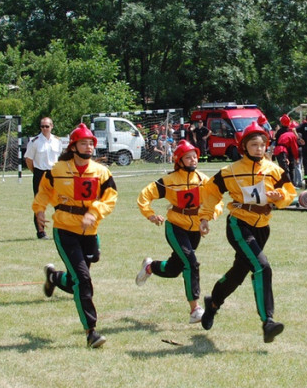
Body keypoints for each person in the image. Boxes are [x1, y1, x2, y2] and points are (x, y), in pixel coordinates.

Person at [198, 123, 297, 343]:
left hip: (263, 227)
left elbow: (290, 192)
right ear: (244, 146)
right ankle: (267, 321)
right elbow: (211, 191)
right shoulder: (230, 171)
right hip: (238, 224)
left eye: (262, 145)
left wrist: (280, 195)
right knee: (262, 267)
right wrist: (204, 217)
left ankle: (213, 303)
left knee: (239, 272)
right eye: (254, 144)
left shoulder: (274, 169)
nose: (259, 148)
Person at [37, 124, 118, 348]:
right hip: (64, 229)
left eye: (91, 143)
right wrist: (40, 209)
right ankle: (91, 332)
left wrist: (94, 212)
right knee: (83, 279)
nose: (89, 146)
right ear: (73, 147)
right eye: (84, 143)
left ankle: (53, 277)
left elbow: (110, 197)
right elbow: (44, 189)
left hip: (90, 231)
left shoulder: (102, 172)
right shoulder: (58, 169)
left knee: (76, 278)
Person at [135, 140, 222, 323]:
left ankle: (150, 267)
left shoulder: (203, 180)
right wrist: (150, 214)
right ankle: (195, 310)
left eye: (195, 157)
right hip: (175, 227)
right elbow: (145, 195)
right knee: (191, 264)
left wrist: (210, 215)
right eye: (188, 157)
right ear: (179, 161)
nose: (193, 160)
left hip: (195, 229)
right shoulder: (169, 181)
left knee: (175, 269)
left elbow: (216, 199)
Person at [24, 117, 63, 239]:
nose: (44, 129)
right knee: (40, 204)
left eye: (47, 126)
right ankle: (40, 232)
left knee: (60, 202)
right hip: (40, 173)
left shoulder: (57, 141)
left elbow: (59, 158)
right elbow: (29, 160)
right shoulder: (34, 142)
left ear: (52, 126)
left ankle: (61, 230)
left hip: (54, 174)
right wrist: (36, 172)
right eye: (42, 126)